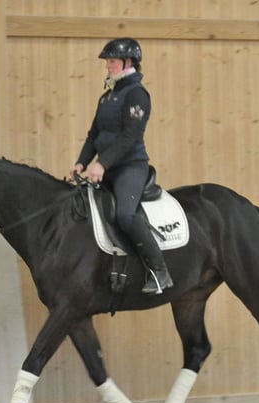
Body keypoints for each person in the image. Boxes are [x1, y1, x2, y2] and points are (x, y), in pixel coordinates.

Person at [70, 38, 173, 295]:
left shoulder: (137, 95)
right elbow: (94, 135)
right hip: (105, 168)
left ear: (128, 62)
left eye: (112, 61)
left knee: (126, 215)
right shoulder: (107, 97)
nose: (108, 65)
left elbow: (129, 136)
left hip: (130, 166)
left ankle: (159, 271)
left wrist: (102, 163)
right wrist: (81, 162)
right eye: (107, 61)